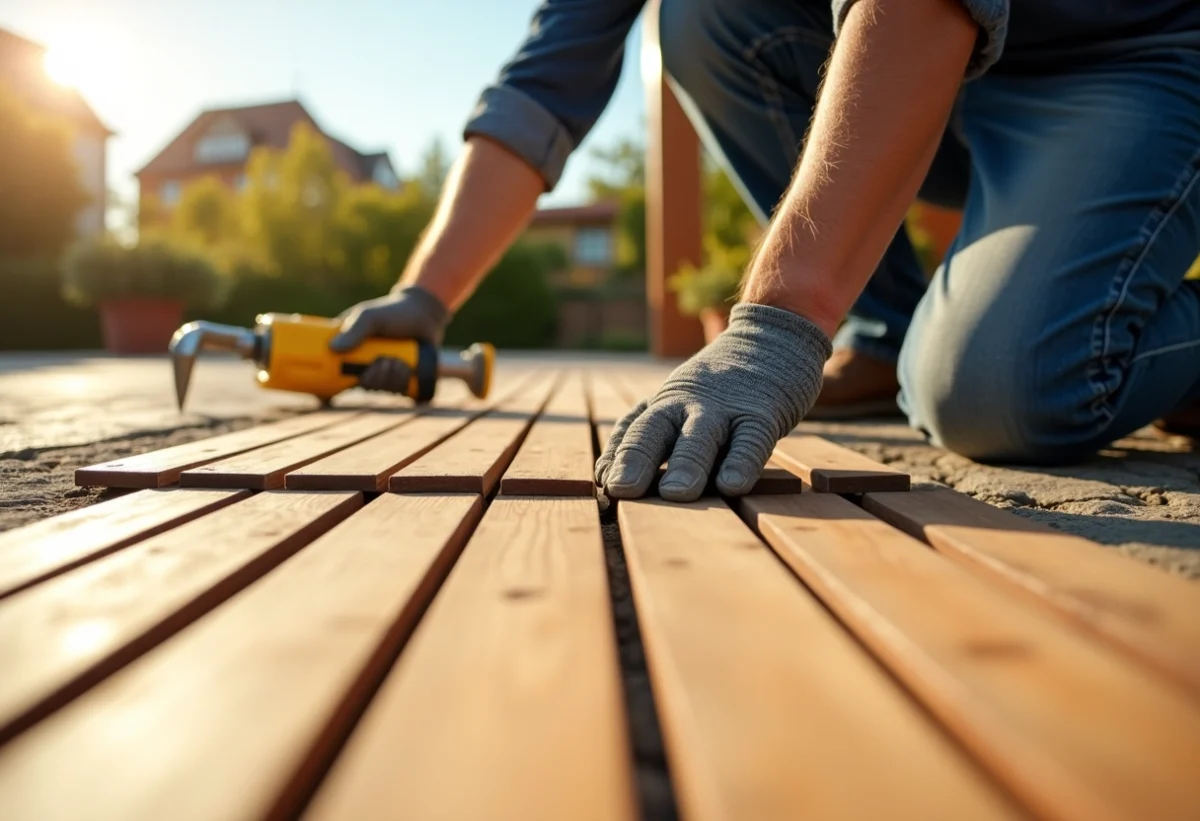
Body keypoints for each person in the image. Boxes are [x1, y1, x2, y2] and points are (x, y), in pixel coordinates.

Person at [330, 0, 1200, 503]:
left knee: (999, 393)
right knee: (706, 14)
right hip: (945, 83)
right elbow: (543, 87)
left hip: (1130, 59)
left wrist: (778, 324)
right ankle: (884, 324)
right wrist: (426, 296)